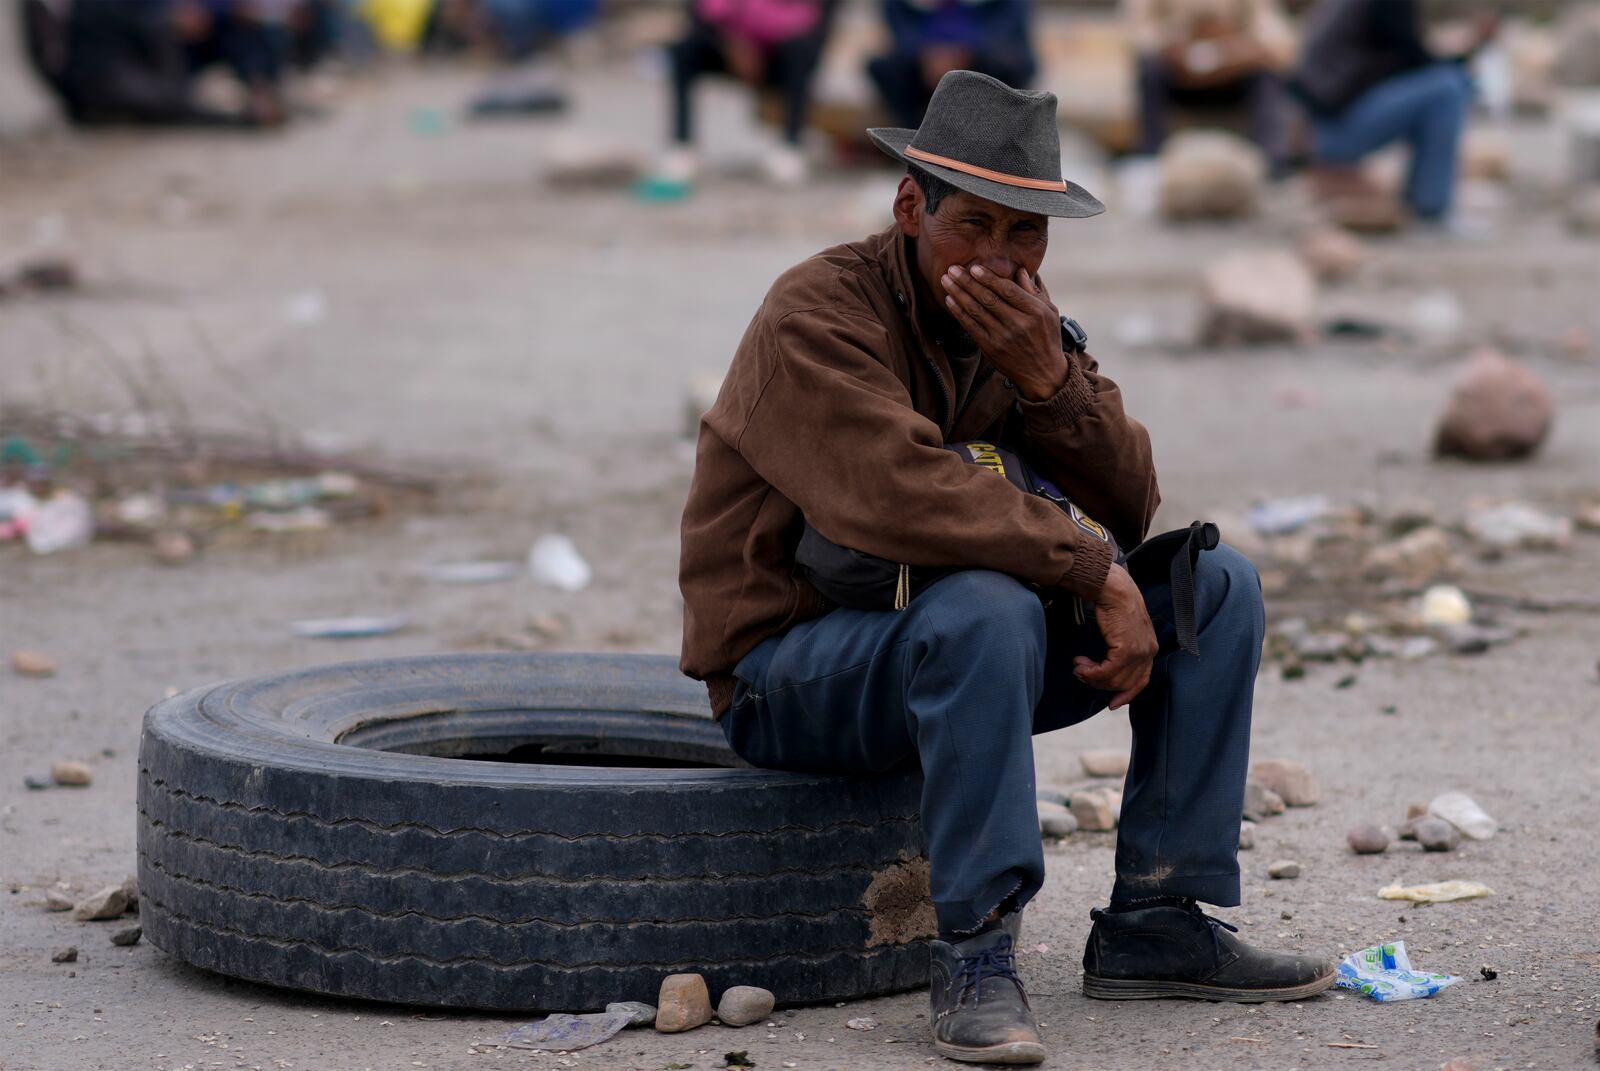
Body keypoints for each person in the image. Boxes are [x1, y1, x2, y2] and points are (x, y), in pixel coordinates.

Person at [678, 70, 1334, 1067]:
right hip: (792, 674)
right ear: (910, 208)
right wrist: (1094, 574)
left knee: (1214, 586)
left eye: (1024, 233)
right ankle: (976, 953)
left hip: (955, 653)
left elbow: (1132, 500)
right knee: (983, 602)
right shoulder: (817, 313)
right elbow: (899, 492)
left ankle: (1157, 920)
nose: (996, 259)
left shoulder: (1019, 322)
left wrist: (1050, 382)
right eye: (972, 226)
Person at [1290, 0, 1496, 223]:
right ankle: (1431, 208)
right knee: (1448, 88)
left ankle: (1424, 201)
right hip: (1330, 132)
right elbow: (1412, 58)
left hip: (1322, 127)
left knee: (1444, 84)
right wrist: (1471, 48)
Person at [655, 0, 837, 189]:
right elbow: (700, 13)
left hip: (782, 49)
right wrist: (732, 43)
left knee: (800, 51)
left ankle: (791, 147)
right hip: (729, 45)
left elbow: (815, 22)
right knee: (682, 51)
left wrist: (762, 42)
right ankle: (681, 147)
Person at [23, 0, 291, 127]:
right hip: (103, 72)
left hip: (148, 57)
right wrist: (167, 18)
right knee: (173, 105)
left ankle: (260, 90)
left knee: (238, 23)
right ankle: (244, 119)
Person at [1127, 0, 1295, 171]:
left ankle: (1273, 164)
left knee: (1267, 75)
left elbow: (1273, 33)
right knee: (1149, 68)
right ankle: (1150, 162)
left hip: (1234, 76)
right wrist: (1174, 47)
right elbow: (1140, 33)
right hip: (1176, 78)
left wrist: (1237, 51)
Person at [867, 0, 1034, 128]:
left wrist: (965, 53)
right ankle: (914, 137)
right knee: (884, 67)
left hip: (981, 60)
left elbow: (1006, 30)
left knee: (1012, 67)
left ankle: (985, 139)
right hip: (924, 62)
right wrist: (927, 54)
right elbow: (901, 28)